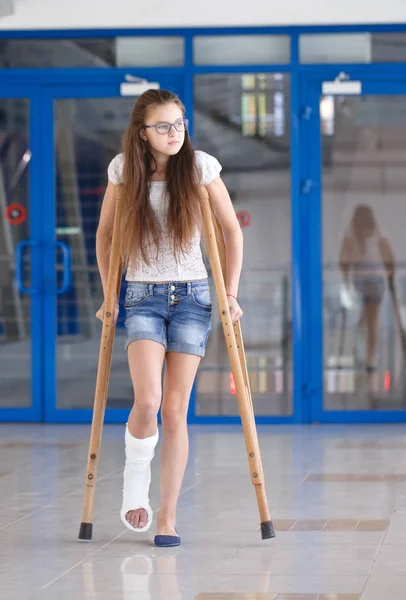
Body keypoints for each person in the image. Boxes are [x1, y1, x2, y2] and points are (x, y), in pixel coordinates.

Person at [95, 89, 243, 547]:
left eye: (179, 123)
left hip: (194, 297)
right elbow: (104, 235)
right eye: (163, 126)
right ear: (143, 133)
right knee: (148, 401)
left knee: (176, 410)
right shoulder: (124, 172)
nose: (174, 133)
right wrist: (109, 294)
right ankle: (134, 490)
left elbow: (230, 231)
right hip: (141, 295)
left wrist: (230, 293)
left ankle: (168, 517)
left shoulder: (200, 169)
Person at [339, 204, 395, 371]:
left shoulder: (351, 234)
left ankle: (361, 351)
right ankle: (368, 357)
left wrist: (346, 278)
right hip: (373, 280)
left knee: (365, 318)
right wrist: (390, 274)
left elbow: (343, 260)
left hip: (362, 280)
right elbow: (389, 257)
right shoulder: (377, 234)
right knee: (371, 320)